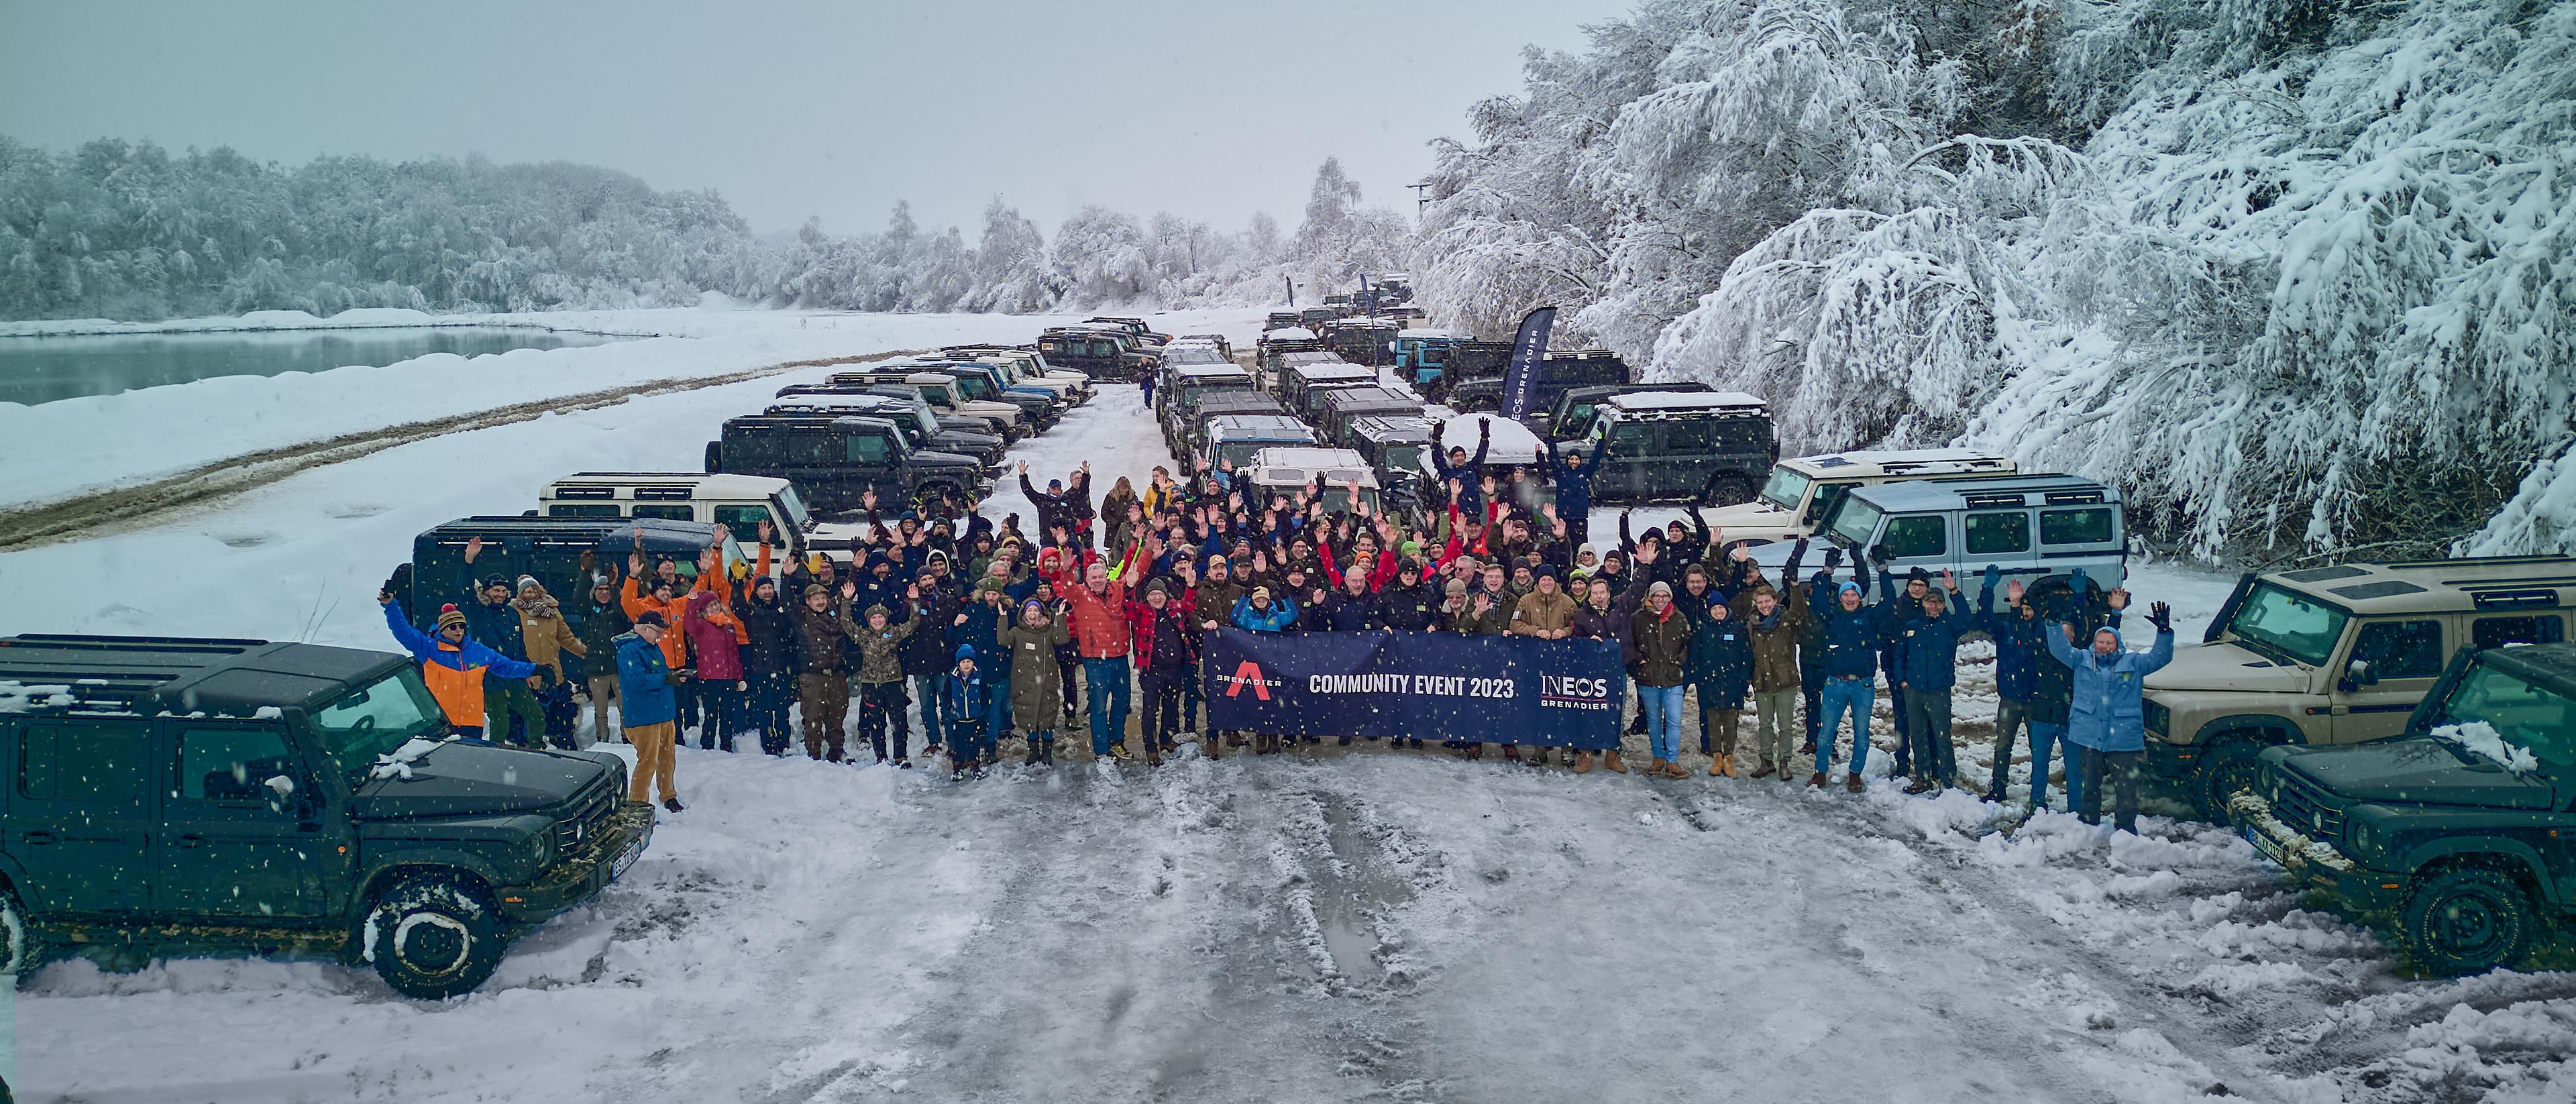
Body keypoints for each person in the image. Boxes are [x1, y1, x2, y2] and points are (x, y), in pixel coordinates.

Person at [2047, 598, 2176, 834]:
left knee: (2126, 788)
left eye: (2110, 642)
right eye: (2101, 642)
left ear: (2118, 644)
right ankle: (2089, 825)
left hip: (2123, 739)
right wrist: (2054, 624)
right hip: (2089, 735)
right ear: (2094, 643)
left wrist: (2164, 633)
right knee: (2090, 785)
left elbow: (2160, 658)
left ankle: (2126, 830)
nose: (2105, 646)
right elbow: (2059, 648)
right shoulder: (2081, 660)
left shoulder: (2134, 663)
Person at [379, 594, 539, 740]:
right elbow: (403, 632)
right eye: (453, 627)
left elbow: (507, 667)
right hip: (440, 722)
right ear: (442, 630)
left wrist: (535, 669)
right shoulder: (429, 648)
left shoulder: (478, 650)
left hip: (472, 724)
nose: (458, 630)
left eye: (461, 626)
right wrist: (391, 606)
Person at [1888, 571, 1972, 793]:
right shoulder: (1913, 626)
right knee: (1918, 735)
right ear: (1923, 603)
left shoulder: (1949, 626)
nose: (1933, 606)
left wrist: (1954, 591)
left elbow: (1966, 618)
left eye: (1938, 603)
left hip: (1938, 690)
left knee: (1942, 736)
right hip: (1913, 690)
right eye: (1930, 602)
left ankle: (1947, 778)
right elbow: (1899, 655)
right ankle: (1922, 777)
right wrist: (1903, 681)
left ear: (1943, 606)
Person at [1809, 552, 1886, 793]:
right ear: (1840, 598)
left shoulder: (1869, 617)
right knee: (1826, 732)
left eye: (1854, 595)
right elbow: (1818, 599)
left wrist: (1882, 569)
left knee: (1862, 733)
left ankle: (1855, 774)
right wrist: (1827, 571)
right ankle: (1820, 772)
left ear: (1860, 598)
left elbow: (1890, 601)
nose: (1850, 598)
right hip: (1835, 684)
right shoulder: (1832, 617)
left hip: (1863, 686)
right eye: (1846, 594)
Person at [1975, 566, 2053, 804]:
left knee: (2038, 751)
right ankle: (1998, 787)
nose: (2026, 613)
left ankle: (2037, 795)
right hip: (2009, 698)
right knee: (2002, 747)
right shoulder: (2005, 629)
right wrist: (1988, 589)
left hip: (2035, 700)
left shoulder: (2043, 632)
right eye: (2023, 608)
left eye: (2030, 609)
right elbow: (1983, 617)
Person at [458, 538, 543, 746]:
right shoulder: (478, 613)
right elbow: (464, 591)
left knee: (536, 715)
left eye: (504, 591)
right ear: (487, 592)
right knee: (500, 725)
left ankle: (536, 749)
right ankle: (496, 755)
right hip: (492, 679)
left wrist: (526, 672)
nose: (500, 595)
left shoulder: (513, 614)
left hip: (514, 677)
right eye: (496, 591)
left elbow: (520, 646)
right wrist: (469, 560)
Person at [1055, 559, 1134, 762]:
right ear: (1087, 580)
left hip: (1120, 657)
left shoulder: (1116, 589)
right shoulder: (1080, 595)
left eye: (1101, 577)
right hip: (1095, 660)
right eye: (1094, 578)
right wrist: (1065, 569)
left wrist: (1148, 550)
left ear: (1107, 576)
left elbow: (1136, 572)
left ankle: (1116, 741)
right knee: (1098, 707)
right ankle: (1101, 750)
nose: (1098, 581)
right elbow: (1068, 586)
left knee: (1122, 701)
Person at [615, 611, 687, 812]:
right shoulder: (629, 650)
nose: (660, 636)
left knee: (667, 758)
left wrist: (673, 676)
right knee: (647, 762)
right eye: (658, 632)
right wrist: (666, 679)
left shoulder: (653, 648)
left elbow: (659, 674)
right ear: (645, 628)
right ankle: (637, 805)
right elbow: (637, 681)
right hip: (644, 716)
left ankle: (668, 795)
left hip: (664, 713)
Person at [1506, 564, 1577, 765]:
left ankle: (1566, 749)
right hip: (1535, 661)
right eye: (1543, 579)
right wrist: (1535, 631)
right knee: (1539, 706)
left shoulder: (1567, 602)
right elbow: (1514, 624)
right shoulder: (1526, 601)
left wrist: (1565, 632)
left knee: (1563, 705)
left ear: (1555, 582)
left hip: (1561, 662)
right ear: (1537, 582)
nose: (1547, 582)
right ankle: (1540, 750)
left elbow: (1577, 626)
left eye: (1550, 579)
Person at [511, 577, 587, 749]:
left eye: (535, 590)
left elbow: (566, 638)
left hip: (552, 673)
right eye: (528, 591)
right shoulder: (514, 612)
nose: (532, 594)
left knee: (556, 715)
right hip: (527, 673)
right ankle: (531, 747)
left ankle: (562, 747)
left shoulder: (552, 612)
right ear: (521, 594)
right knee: (528, 716)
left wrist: (586, 653)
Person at [787, 583, 859, 761]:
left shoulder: (833, 612)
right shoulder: (802, 616)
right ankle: (814, 754)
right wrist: (788, 577)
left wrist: (856, 569)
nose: (821, 602)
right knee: (813, 718)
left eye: (823, 598)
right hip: (813, 677)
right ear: (808, 601)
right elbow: (787, 602)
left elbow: (846, 590)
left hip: (836, 676)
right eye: (816, 599)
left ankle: (836, 751)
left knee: (837, 717)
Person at [1630, 581, 1694, 779]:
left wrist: (1680, 660)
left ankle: (1672, 761)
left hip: (1673, 677)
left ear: (1670, 598)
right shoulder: (1638, 618)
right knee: (1654, 720)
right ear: (1650, 597)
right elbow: (1629, 644)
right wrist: (1639, 661)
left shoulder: (1679, 618)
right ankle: (1658, 757)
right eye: (1657, 596)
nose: (1661, 599)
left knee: (1674, 720)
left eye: (1665, 596)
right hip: (1648, 678)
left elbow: (1687, 643)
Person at [1130, 578, 1197, 765]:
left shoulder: (1173, 608)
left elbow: (1189, 605)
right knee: (1150, 712)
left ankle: (1166, 740)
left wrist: (1191, 587)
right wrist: (1130, 586)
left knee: (1171, 707)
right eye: (1153, 594)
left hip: (1174, 669)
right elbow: (1128, 607)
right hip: (1151, 671)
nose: (1157, 597)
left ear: (1166, 595)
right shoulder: (1142, 612)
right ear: (1147, 597)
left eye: (1160, 593)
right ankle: (1150, 748)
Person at [999, 600, 1073, 766]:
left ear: (1041, 613)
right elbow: (1003, 640)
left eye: (1035, 610)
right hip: (1024, 682)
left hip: (1047, 681)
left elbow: (1062, 639)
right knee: (1029, 719)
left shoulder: (1048, 631)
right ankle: (1033, 752)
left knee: (1047, 719)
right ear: (1024, 613)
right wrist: (1003, 619)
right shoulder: (1017, 632)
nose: (1032, 613)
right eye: (1029, 610)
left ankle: (1047, 752)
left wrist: (1060, 617)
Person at [1687, 594, 1752, 777]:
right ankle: (1716, 757)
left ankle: (1729, 758)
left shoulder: (1738, 628)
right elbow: (1695, 654)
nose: (1718, 611)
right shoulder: (1702, 629)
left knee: (1731, 723)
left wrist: (1744, 678)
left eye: (1721, 608)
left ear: (1726, 609)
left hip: (1733, 683)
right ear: (1709, 611)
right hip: (1709, 684)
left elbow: (1746, 654)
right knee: (1713, 723)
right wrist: (1699, 676)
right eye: (1714, 608)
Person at [851, 598, 920, 765]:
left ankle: (900, 756)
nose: (878, 620)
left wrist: (915, 601)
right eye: (874, 618)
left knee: (899, 721)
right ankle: (881, 757)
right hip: (870, 684)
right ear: (869, 621)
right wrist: (846, 601)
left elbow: (914, 622)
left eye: (880, 617)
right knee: (877, 723)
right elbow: (846, 623)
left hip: (893, 683)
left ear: (886, 619)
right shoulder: (863, 635)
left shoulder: (894, 633)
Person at [1232, 586, 1299, 755]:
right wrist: (1245, 597)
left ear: (1269, 601)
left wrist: (1285, 597)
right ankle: (1261, 738)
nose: (1261, 602)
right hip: (1255, 664)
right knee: (1259, 701)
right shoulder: (1248, 616)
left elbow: (1293, 615)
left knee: (1274, 701)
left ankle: (1274, 737)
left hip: (1274, 663)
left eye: (1264, 599)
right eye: (1257, 599)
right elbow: (1235, 618)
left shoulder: (1276, 617)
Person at [572, 575, 631, 744]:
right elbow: (578, 598)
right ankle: (602, 739)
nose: (604, 592)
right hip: (596, 668)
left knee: (624, 708)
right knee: (600, 709)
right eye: (600, 589)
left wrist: (614, 586)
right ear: (594, 592)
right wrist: (584, 574)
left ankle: (627, 738)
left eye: (607, 589)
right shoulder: (588, 612)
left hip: (619, 668)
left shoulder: (619, 611)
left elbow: (622, 606)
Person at [940, 645, 994, 780]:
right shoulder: (952, 677)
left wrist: (982, 707)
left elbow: (986, 693)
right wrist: (949, 706)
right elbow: (945, 693)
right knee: (958, 745)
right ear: (958, 664)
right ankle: (957, 768)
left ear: (973, 662)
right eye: (963, 662)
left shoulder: (979, 675)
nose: (966, 665)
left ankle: (975, 767)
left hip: (974, 718)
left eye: (969, 661)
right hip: (958, 719)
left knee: (974, 745)